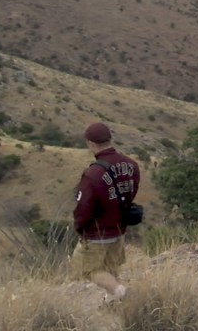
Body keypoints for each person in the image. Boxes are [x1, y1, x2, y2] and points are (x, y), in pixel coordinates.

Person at [72, 122, 140, 302]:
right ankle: (115, 304)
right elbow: (131, 193)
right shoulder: (131, 165)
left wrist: (80, 227)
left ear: (91, 144)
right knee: (110, 269)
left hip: (97, 232)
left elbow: (84, 207)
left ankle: (123, 294)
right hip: (119, 229)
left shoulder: (92, 174)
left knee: (87, 269)